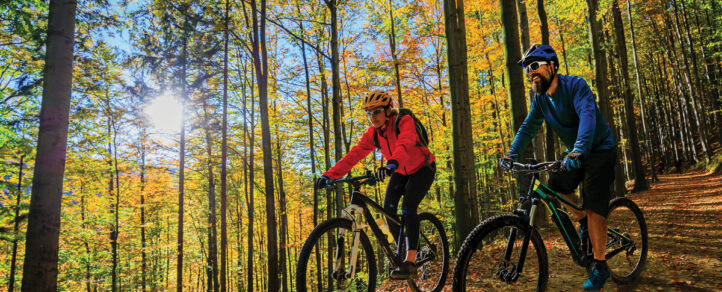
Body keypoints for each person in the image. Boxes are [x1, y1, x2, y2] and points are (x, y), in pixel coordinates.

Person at [499, 44, 617, 290]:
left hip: (599, 149)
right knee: (555, 186)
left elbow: (587, 116)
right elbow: (528, 127)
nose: (531, 73)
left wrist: (579, 149)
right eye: (527, 69)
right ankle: (582, 219)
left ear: (552, 66)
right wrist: (511, 155)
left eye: (535, 66)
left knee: (595, 205)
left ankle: (600, 266)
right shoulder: (540, 100)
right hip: (576, 152)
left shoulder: (575, 86)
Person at [314, 90, 436, 279]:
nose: (372, 117)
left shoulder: (403, 121)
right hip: (399, 170)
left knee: (408, 208)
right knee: (388, 210)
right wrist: (328, 175)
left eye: (377, 111)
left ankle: (411, 262)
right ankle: (403, 253)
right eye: (369, 113)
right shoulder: (373, 133)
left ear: (388, 110)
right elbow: (353, 155)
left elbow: (405, 142)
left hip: (422, 167)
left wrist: (391, 163)